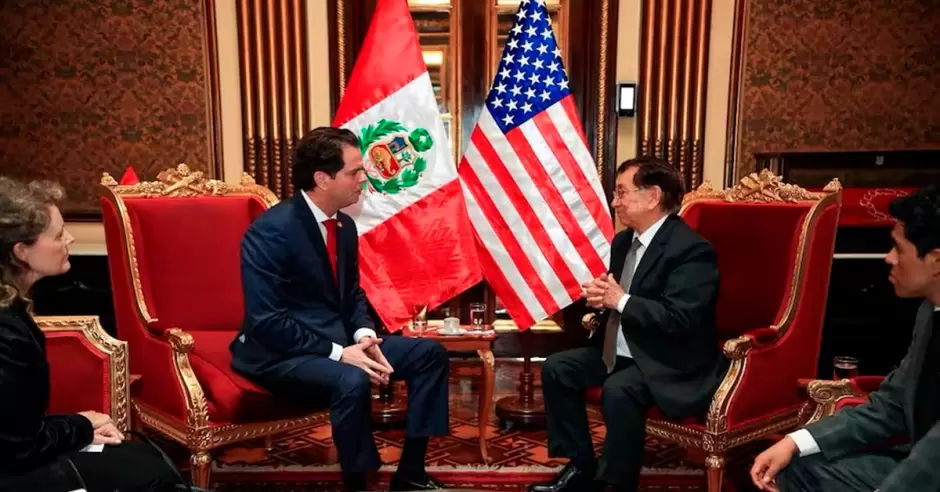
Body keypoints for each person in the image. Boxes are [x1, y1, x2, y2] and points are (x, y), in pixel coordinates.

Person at [230, 127, 449, 492]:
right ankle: (357, 483)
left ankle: (411, 473)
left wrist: (364, 335)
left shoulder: (344, 225)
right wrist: (340, 353)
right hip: (280, 354)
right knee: (352, 378)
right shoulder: (271, 230)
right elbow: (267, 321)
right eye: (354, 171)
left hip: (340, 341)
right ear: (322, 178)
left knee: (429, 355)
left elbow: (352, 293)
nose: (364, 178)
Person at [529, 157, 729, 492]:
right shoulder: (623, 242)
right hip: (623, 350)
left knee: (620, 389)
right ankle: (580, 465)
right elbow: (618, 300)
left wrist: (619, 300)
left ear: (653, 196)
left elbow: (680, 319)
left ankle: (615, 482)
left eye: (622, 192)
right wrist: (600, 302)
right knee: (557, 368)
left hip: (667, 359)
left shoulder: (692, 250)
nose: (614, 202)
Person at [750, 185, 940, 492]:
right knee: (795, 468)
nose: (889, 258)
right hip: (920, 461)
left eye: (898, 248)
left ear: (936, 261)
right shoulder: (929, 312)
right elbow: (892, 405)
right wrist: (794, 442)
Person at [0, 177, 179, 492]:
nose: (69, 238)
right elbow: (18, 450)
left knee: (142, 457)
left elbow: (17, 427)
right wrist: (80, 427)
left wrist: (78, 424)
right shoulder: (6, 330)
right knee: (151, 474)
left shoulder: (12, 308)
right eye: (58, 235)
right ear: (22, 251)